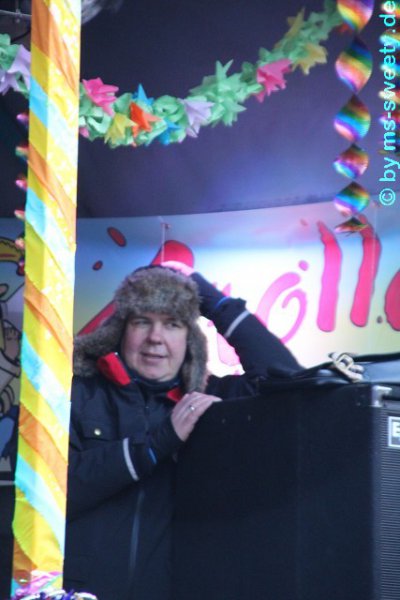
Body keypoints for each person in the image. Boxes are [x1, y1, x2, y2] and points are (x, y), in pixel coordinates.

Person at [64, 264, 300, 600]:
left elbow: (289, 380)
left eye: (173, 323)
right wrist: (154, 446)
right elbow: (54, 491)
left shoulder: (210, 400)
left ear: (190, 339)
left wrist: (216, 303)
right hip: (79, 592)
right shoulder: (78, 392)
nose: (155, 337)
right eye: (142, 321)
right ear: (120, 330)